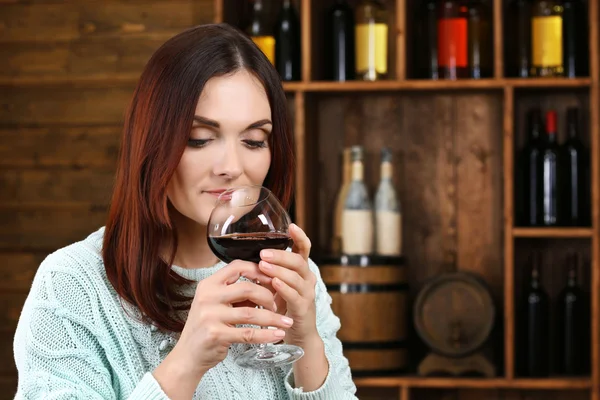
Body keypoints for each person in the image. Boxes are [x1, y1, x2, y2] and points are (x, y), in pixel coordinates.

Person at [12, 23, 357, 399]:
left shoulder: (291, 277)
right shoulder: (72, 285)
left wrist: (303, 336)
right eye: (200, 139)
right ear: (151, 143)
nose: (231, 165)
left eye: (254, 141)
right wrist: (187, 362)